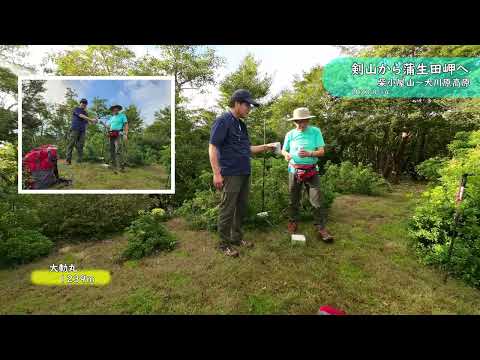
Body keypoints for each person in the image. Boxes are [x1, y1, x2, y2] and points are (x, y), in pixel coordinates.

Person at [209, 89, 277, 257]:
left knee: (241, 207)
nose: (250, 108)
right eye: (248, 105)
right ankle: (224, 244)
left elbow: (247, 149)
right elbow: (213, 147)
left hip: (244, 171)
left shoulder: (241, 124)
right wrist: (217, 173)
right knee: (227, 208)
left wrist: (266, 147)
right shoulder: (223, 121)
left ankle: (236, 238)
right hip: (230, 173)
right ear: (238, 103)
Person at [281, 107, 333, 242]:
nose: (300, 124)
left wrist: (310, 153)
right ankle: (293, 223)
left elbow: (321, 152)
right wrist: (286, 155)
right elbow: (283, 150)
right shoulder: (290, 134)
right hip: (294, 170)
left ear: (308, 120)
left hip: (311, 171)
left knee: (316, 200)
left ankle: (321, 228)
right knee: (293, 200)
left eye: (303, 121)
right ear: (294, 121)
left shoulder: (315, 132)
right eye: (297, 121)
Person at [66, 99, 98, 165]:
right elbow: (81, 116)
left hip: (82, 131)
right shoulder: (76, 109)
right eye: (83, 103)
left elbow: (87, 122)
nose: (84, 104)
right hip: (75, 129)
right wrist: (91, 119)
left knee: (80, 145)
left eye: (85, 103)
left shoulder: (86, 113)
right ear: (80, 103)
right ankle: (68, 161)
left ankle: (79, 161)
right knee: (71, 144)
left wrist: (94, 121)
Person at [106, 104, 128, 173]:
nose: (115, 110)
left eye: (116, 108)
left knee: (118, 150)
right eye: (114, 109)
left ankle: (121, 167)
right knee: (111, 150)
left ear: (118, 109)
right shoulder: (111, 118)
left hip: (119, 133)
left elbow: (126, 124)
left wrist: (125, 134)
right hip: (111, 134)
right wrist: (102, 123)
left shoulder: (122, 116)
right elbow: (108, 126)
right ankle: (113, 165)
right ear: (112, 110)